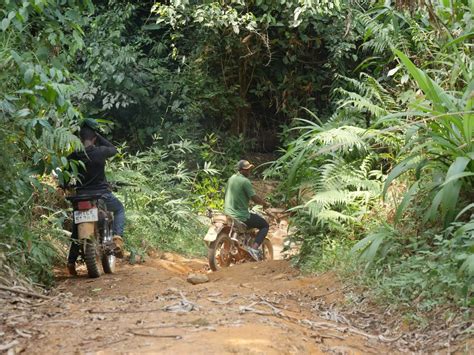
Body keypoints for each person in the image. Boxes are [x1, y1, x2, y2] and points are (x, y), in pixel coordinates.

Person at [66, 125, 125, 275]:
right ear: (94, 139)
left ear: (80, 139)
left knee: (75, 226)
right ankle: (117, 239)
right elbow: (113, 149)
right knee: (119, 209)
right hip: (101, 195)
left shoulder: (74, 156)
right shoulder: (100, 151)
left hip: (80, 196)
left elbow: (65, 176)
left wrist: (66, 184)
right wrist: (99, 136)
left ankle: (71, 262)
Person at [224, 160, 269, 261]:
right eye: (246, 170)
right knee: (265, 225)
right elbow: (254, 198)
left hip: (228, 212)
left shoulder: (231, 179)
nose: (249, 171)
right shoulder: (245, 181)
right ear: (241, 170)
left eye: (249, 169)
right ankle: (254, 248)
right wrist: (264, 203)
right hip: (241, 215)